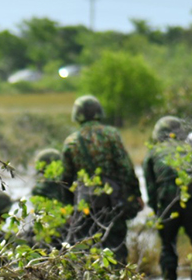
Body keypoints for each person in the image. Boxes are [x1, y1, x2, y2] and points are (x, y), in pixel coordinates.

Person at [60, 95, 143, 263]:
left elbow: (65, 180)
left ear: (77, 114)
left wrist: (68, 209)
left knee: (84, 252)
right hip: (113, 201)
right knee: (117, 251)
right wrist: (136, 193)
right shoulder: (111, 135)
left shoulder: (71, 142)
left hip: (86, 205)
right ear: (98, 112)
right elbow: (126, 168)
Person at [143, 116, 192, 280]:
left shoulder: (152, 153)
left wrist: (158, 211)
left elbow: (151, 190)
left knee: (167, 246)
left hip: (167, 204)